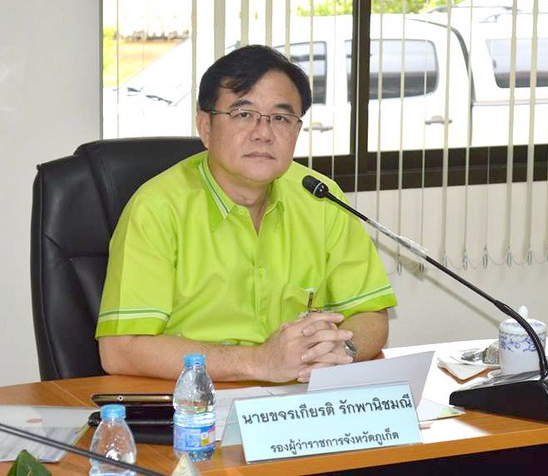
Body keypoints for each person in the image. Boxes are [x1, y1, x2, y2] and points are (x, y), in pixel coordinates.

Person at [96, 45, 396, 383]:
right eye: (243, 114)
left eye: (280, 118)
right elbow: (120, 349)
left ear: (296, 131)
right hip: (196, 400)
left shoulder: (320, 198)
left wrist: (341, 351)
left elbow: (371, 315)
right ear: (205, 126)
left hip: (298, 399)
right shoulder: (157, 208)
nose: (263, 133)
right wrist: (258, 362)